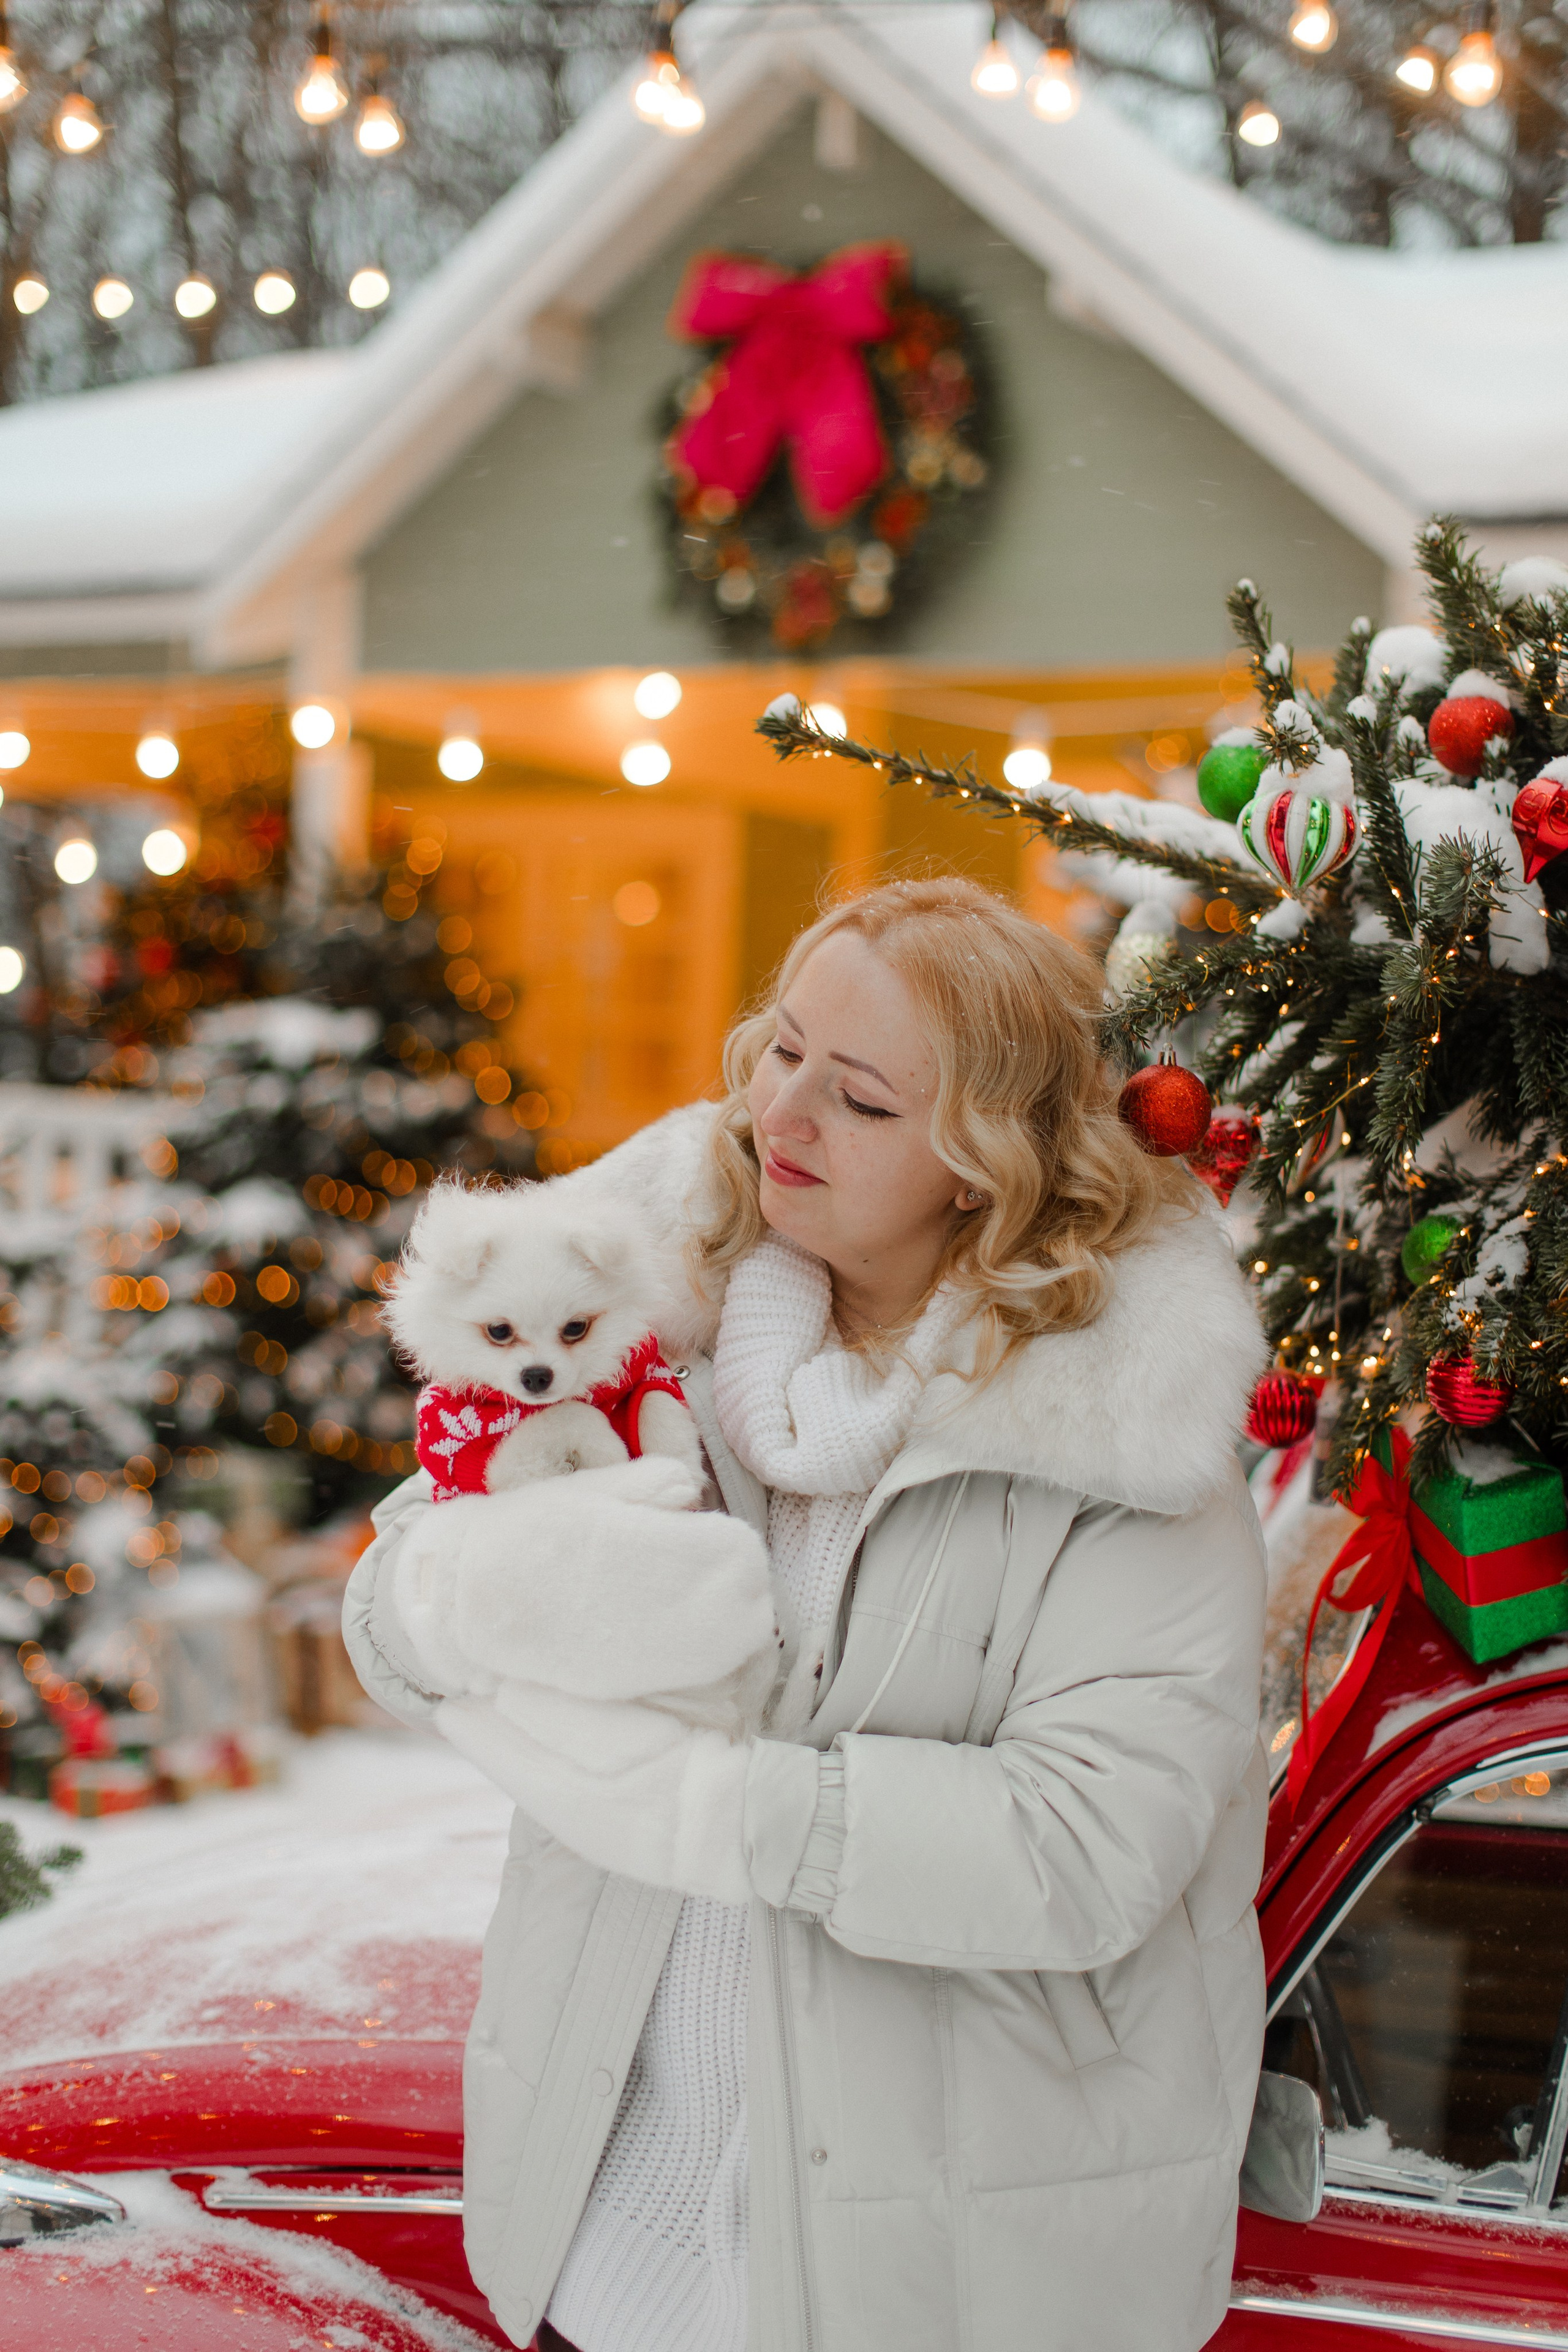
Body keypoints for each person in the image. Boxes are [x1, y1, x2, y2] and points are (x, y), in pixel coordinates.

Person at [343, 874, 1271, 2352]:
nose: (779, 1117)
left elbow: (1091, 1848)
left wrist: (722, 1809)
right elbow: (393, 1619)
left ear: (978, 1161)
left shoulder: (1117, 1433)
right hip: (607, 2240)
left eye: (857, 1098)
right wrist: (452, 1597)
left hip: (939, 2279)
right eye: (780, 1052)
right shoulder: (642, 1325)